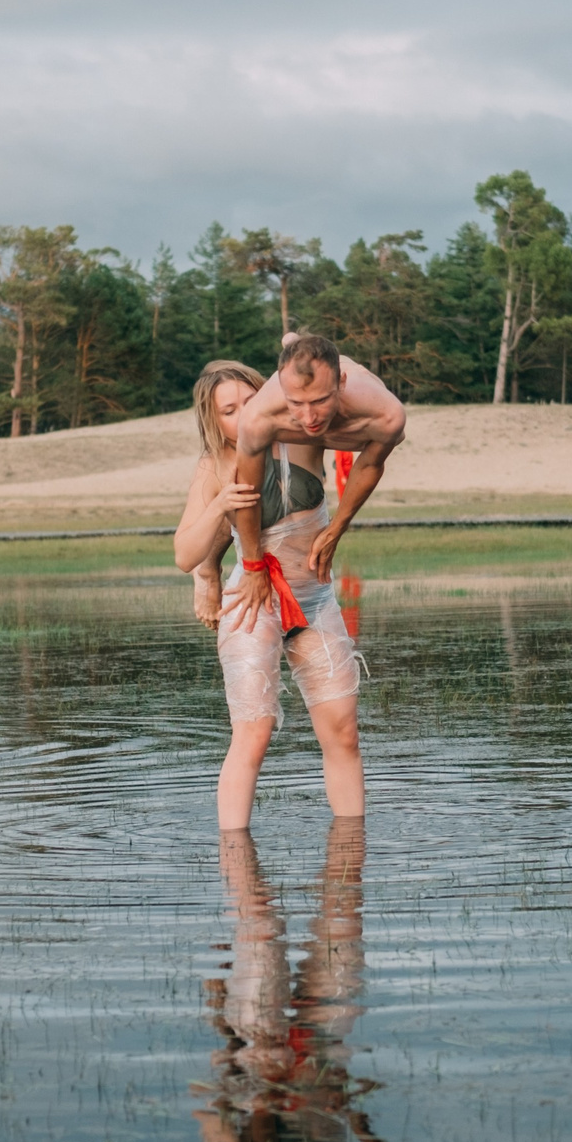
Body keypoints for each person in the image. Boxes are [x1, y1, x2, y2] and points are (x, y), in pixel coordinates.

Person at [196, 821, 424, 1142]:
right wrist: (356, 1120)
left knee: (260, 934)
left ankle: (227, 969)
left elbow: (254, 1141)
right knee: (341, 926)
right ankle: (336, 846)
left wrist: (271, 1086)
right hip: (318, 1081)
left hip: (261, 1076)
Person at [175, 357, 365, 829]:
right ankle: (235, 856)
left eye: (250, 400)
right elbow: (183, 553)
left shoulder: (303, 434)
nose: (243, 414)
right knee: (253, 735)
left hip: (314, 601)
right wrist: (218, 505)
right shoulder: (213, 465)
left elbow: (365, 419)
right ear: (214, 421)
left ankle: (349, 852)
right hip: (251, 606)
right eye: (229, 410)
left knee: (343, 732)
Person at [221, 332, 406, 620]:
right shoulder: (259, 419)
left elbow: (370, 465)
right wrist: (253, 567)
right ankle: (292, 340)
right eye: (296, 403)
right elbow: (248, 493)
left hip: (352, 426)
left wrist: (336, 529)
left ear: (340, 383)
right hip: (286, 424)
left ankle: (295, 340)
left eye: (320, 401)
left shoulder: (385, 415)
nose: (309, 418)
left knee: (397, 435)